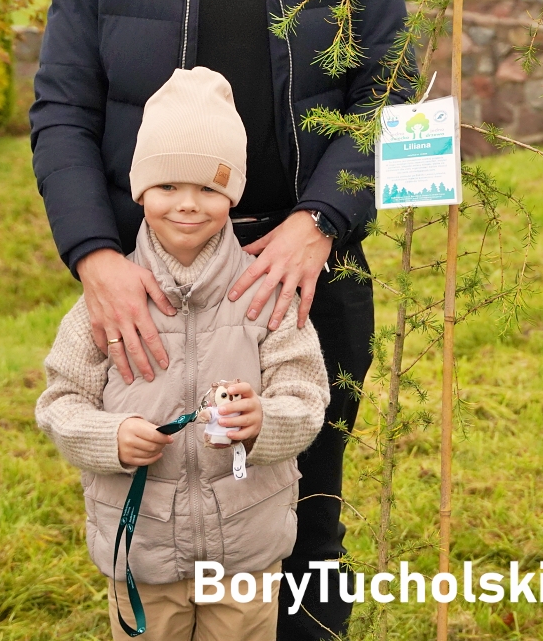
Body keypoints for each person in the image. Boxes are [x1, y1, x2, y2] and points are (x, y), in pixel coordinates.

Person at [30, 0, 407, 640]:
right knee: (161, 544)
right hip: (151, 296)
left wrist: (320, 226)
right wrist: (96, 260)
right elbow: (63, 107)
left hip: (302, 283)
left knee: (303, 538)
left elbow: (393, 94)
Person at [37, 68, 329, 640]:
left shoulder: (264, 293)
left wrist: (263, 422)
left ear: (234, 194)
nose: (188, 205)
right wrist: (110, 438)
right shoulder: (110, 304)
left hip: (246, 554)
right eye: (168, 187)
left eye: (209, 188)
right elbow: (60, 403)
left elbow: (307, 395)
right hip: (142, 552)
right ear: (139, 190)